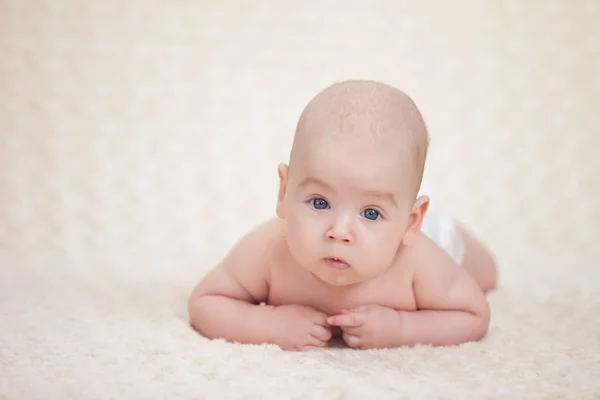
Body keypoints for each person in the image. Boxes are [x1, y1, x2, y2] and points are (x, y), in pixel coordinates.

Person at [188, 80, 497, 351]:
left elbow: (474, 315)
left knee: (484, 273)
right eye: (320, 203)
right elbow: (206, 303)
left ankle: (447, 227)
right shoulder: (269, 249)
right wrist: (268, 324)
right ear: (284, 193)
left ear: (410, 222)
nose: (339, 232)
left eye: (371, 213)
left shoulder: (419, 262)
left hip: (434, 234)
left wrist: (401, 328)